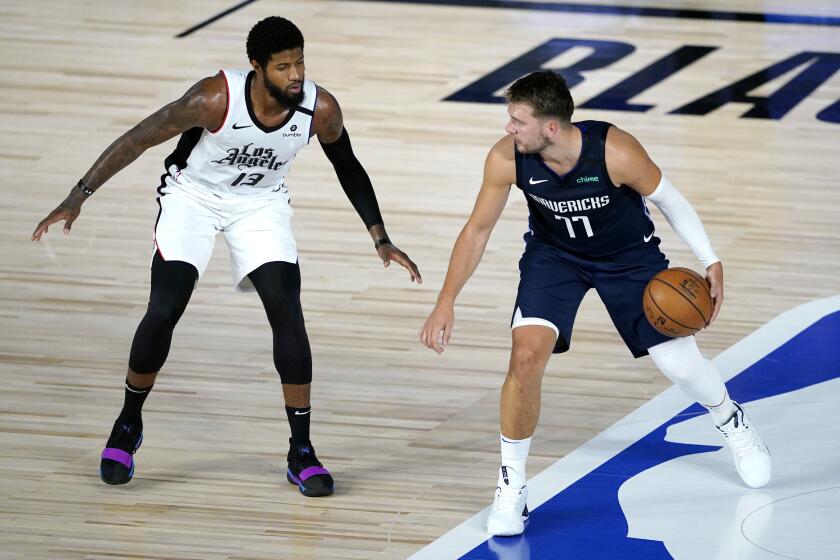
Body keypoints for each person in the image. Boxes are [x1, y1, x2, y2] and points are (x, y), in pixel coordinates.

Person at [32, 16, 421, 497]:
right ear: (256, 68)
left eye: (300, 62)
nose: (296, 75)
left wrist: (380, 237)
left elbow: (348, 166)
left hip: (259, 203)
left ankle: (301, 452)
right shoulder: (214, 99)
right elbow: (138, 138)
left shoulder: (320, 110)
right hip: (192, 198)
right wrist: (78, 195)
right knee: (165, 308)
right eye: (283, 67)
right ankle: (127, 424)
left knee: (286, 309)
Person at [419, 70, 770, 536]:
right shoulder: (507, 158)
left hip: (628, 259)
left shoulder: (616, 150)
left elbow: (670, 199)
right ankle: (512, 486)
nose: (508, 129)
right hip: (554, 259)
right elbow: (477, 230)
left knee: (679, 365)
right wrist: (446, 300)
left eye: (517, 121)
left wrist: (711, 259)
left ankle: (730, 418)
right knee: (525, 358)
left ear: (550, 127)